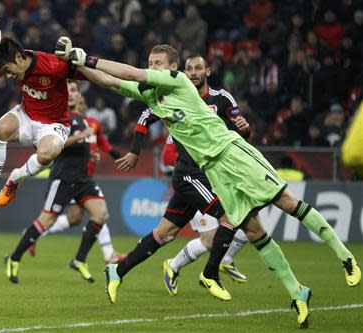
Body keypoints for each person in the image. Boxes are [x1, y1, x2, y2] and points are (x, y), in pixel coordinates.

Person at [57, 39, 361, 328]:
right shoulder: (151, 95)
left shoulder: (178, 81)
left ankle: (345, 257)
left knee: (287, 202)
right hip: (213, 170)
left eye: (158, 64)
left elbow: (129, 72)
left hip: (232, 152)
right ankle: (298, 293)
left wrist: (87, 57)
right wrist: (75, 63)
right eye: (150, 63)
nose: (152, 67)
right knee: (254, 231)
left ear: (173, 67)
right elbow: (110, 81)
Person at [115, 55, 250, 296]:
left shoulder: (222, 98)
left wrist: (244, 128)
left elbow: (242, 129)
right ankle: (215, 268)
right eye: (190, 69)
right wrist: (136, 151)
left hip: (217, 174)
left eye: (199, 68)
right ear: (183, 72)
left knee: (165, 233)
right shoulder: (173, 95)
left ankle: (123, 270)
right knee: (234, 222)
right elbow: (147, 116)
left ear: (208, 71)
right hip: (193, 175)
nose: (194, 73)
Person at [0, 37, 83, 210]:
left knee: (47, 155)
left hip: (54, 123)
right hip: (26, 114)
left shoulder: (52, 65)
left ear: (19, 58)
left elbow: (88, 74)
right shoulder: (11, 62)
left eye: (7, 70)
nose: (7, 76)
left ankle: (15, 178)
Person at [5, 101, 119, 284]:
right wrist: (81, 136)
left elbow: (78, 146)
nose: (73, 94)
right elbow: (57, 144)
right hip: (63, 178)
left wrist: (89, 154)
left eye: (75, 90)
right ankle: (14, 257)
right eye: (70, 90)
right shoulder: (58, 119)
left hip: (82, 178)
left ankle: (79, 259)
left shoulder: (80, 119)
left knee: (101, 214)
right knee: (46, 220)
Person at [27, 80, 127, 265]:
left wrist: (113, 157)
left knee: (77, 218)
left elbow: (104, 145)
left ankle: (34, 234)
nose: (79, 104)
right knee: (96, 214)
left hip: (84, 178)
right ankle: (108, 255)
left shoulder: (92, 124)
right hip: (70, 178)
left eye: (80, 100)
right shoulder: (65, 122)